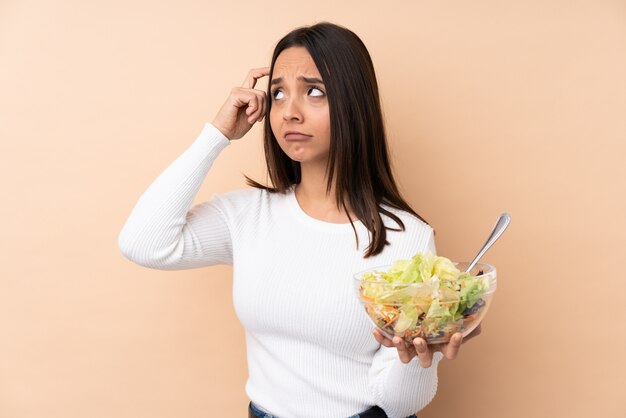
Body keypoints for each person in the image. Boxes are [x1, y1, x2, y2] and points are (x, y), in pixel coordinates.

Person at [118, 22, 480, 418]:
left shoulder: (408, 237)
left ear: (352, 103)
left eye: (313, 91)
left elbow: (398, 404)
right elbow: (143, 242)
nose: (289, 112)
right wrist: (217, 133)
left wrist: (417, 357)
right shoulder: (247, 215)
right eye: (277, 93)